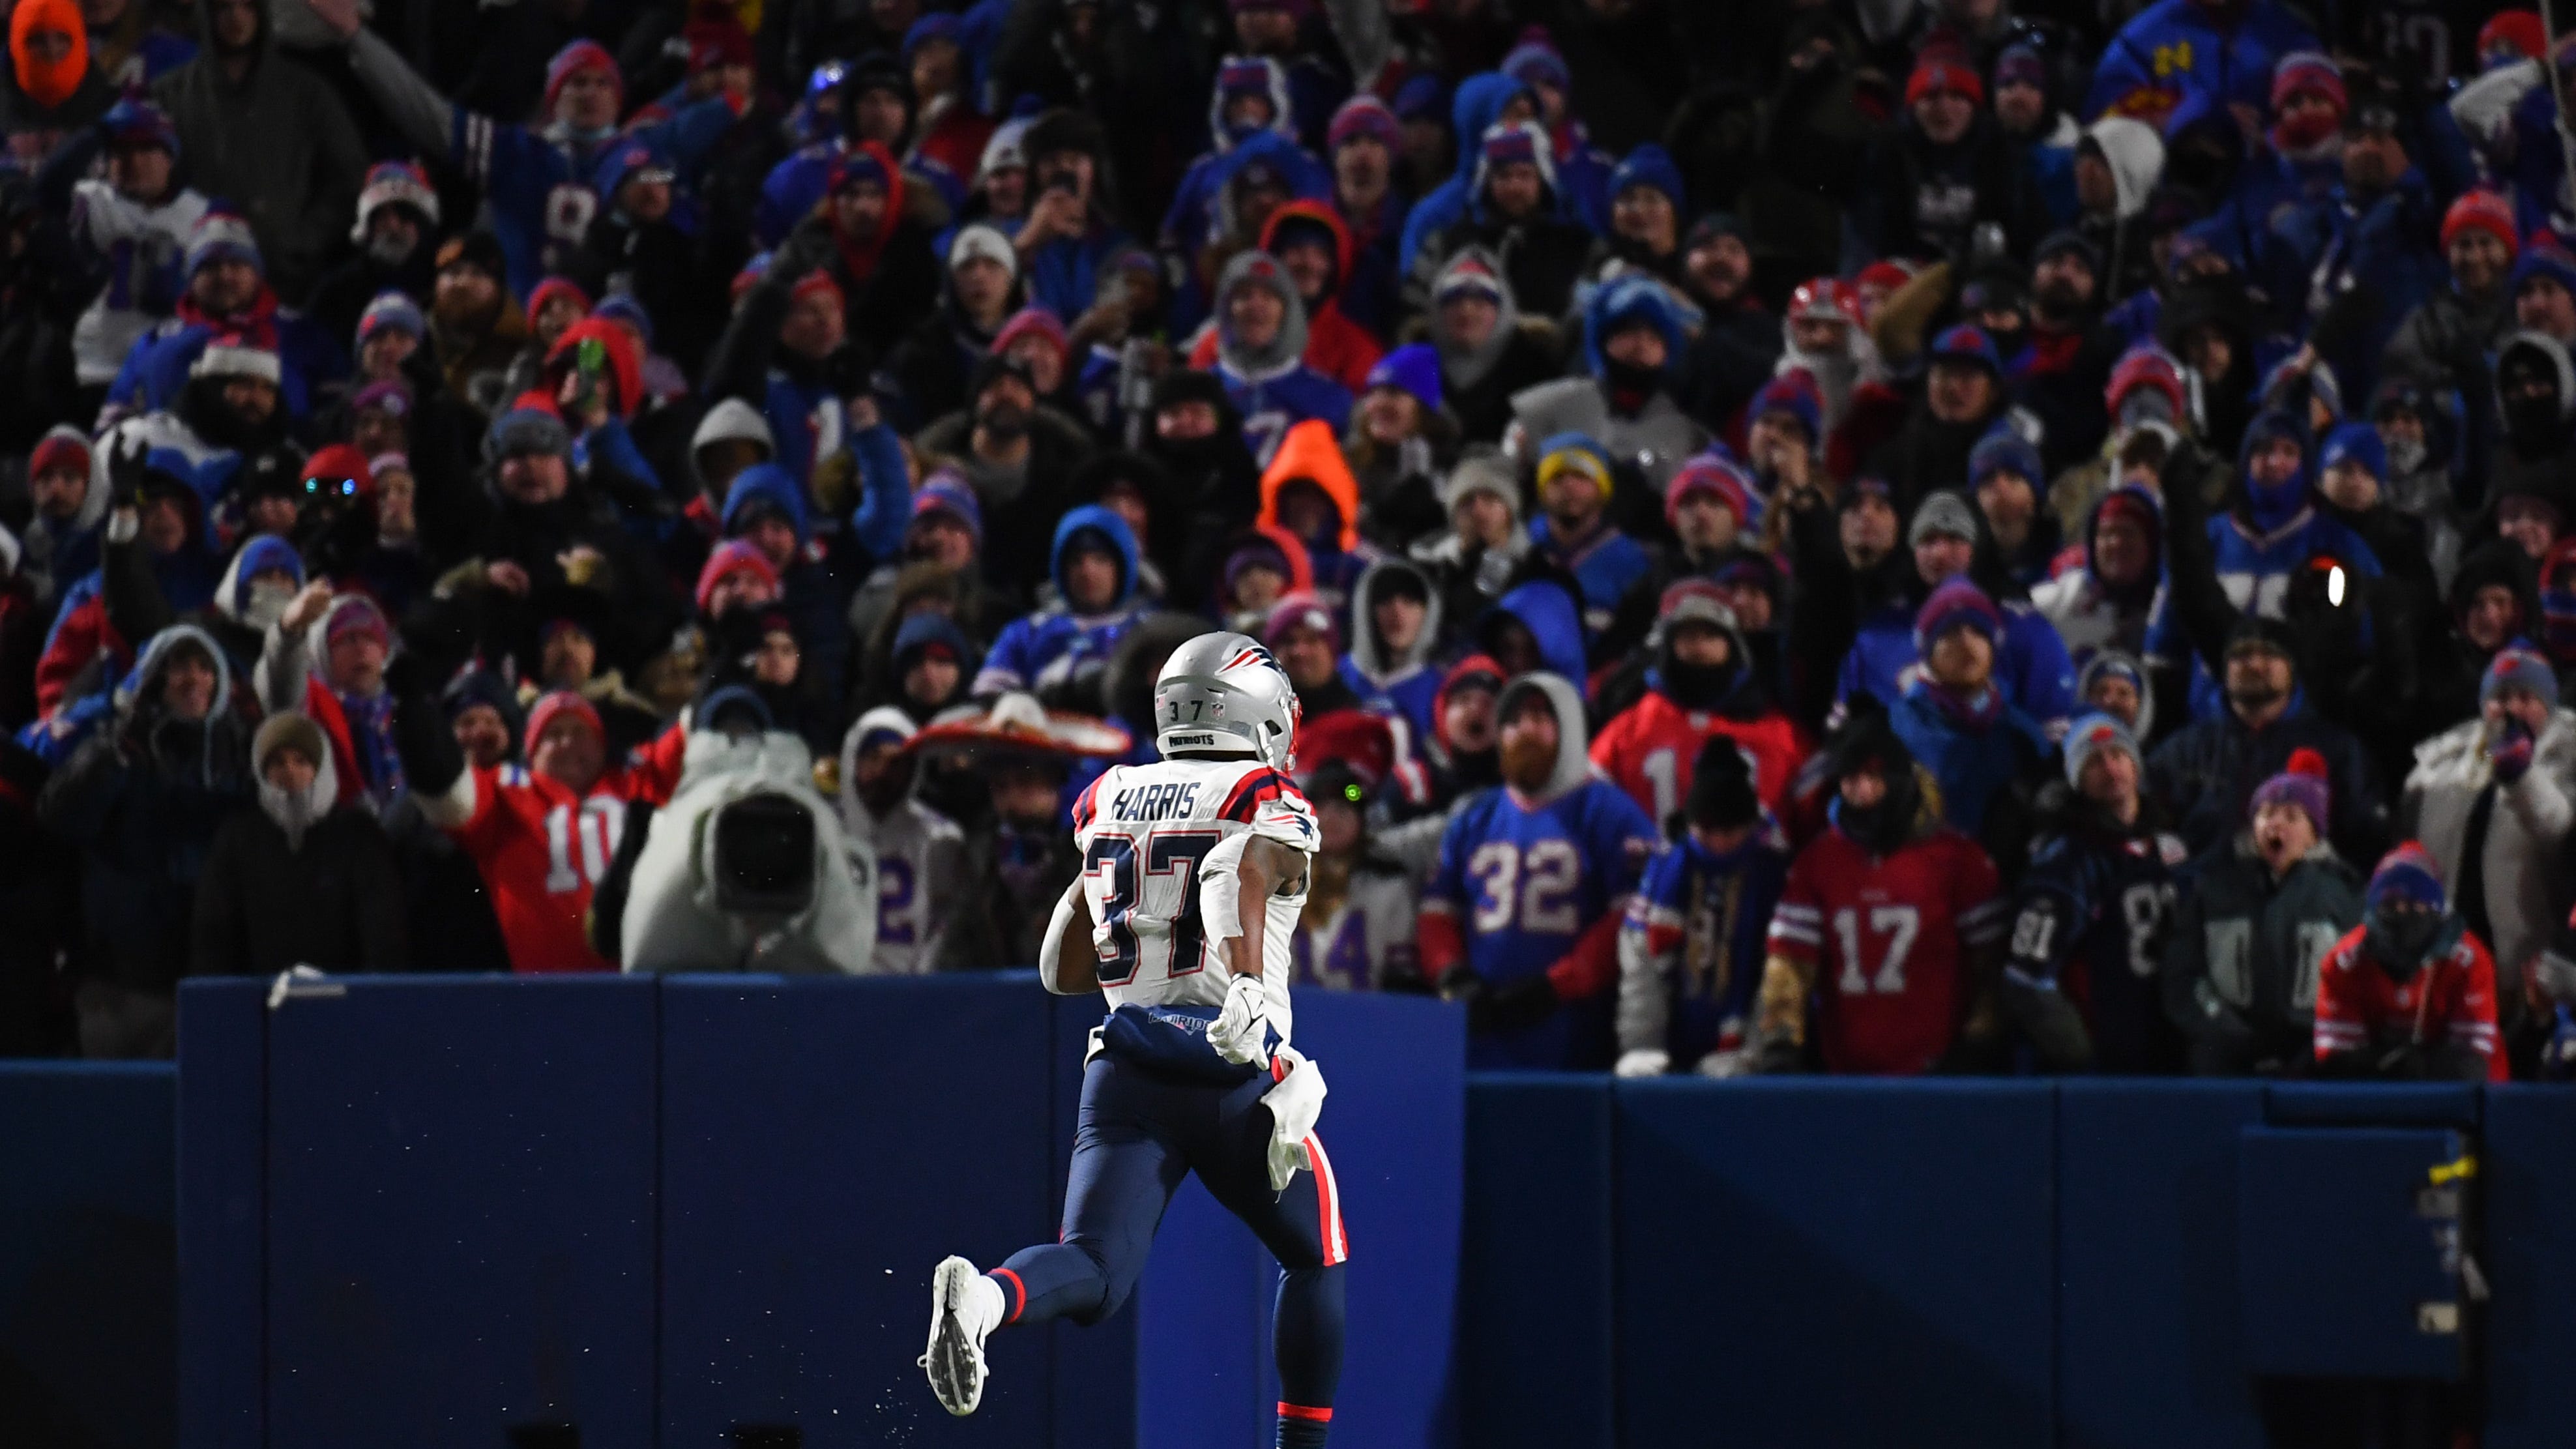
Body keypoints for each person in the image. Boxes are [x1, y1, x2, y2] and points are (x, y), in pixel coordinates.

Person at [918, 634, 1348, 1449]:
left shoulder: (1110, 795)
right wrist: (1245, 981)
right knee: (1314, 1253)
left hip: (1126, 1068)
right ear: (1257, 712)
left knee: (1093, 1265)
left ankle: (985, 1298)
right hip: (1229, 1070)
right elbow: (1237, 874)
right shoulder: (1262, 795)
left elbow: (1061, 968)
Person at [1416, 671, 1658, 1070]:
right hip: (1479, 1039)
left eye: (1540, 717)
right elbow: (1438, 912)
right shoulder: (1475, 816)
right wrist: (1451, 975)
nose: (1525, 730)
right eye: (1512, 721)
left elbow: (1632, 919)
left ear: (1571, 726)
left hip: (1575, 1040)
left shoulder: (1612, 813)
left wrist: (1560, 984)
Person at [1754, 704, 2008, 1075]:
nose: (1862, 790)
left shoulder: (1958, 860)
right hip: (1846, 1075)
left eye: (1874, 776)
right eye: (1851, 777)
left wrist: (1981, 1039)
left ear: (1899, 777)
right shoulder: (1818, 863)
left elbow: (1993, 963)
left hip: (1941, 1075)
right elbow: (1790, 962)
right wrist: (1781, 1039)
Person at [38, 624, 256, 1057]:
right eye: (179, 666)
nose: (194, 678)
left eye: (205, 667)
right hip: (118, 987)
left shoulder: (240, 754)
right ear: (154, 679)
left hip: (206, 984)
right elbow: (61, 818)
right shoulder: (117, 746)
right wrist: (116, 752)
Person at [1997, 713, 2187, 1073]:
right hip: (2112, 1058)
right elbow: (2026, 977)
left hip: (2169, 1048)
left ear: (2136, 765)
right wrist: (2082, 1055)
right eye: (2094, 761)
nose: (2110, 768)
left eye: (2118, 755)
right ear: (2077, 780)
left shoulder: (2168, 847)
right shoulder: (2067, 863)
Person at [2161, 749, 2364, 1076]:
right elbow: (2183, 973)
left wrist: (2320, 1043)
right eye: (2267, 813)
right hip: (2227, 1057)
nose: (2276, 823)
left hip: (2313, 1062)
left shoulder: (2345, 896)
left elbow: (2360, 983)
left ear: (2314, 834)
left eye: (2292, 817)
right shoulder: (2215, 890)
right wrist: (2222, 1028)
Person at [2399, 649, 2575, 1014]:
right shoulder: (2450, 754)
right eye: (2501, 697)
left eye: (2526, 697)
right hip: (2454, 950)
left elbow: (2560, 830)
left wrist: (2521, 776)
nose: (2512, 708)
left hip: (2532, 960)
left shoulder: (2569, 753)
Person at [1613, 738, 1789, 1079]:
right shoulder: (1665, 873)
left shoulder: (1772, 876)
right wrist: (1641, 1047)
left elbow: (1782, 971)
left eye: (1730, 831)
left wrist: (1755, 1054)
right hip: (1671, 1050)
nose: (1720, 842)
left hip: (1746, 1055)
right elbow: (1641, 966)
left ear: (1749, 825)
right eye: (1708, 831)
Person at [190, 710, 404, 976]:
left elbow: (382, 927)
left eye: (301, 761)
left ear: (319, 768)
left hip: (345, 993)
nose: (290, 770)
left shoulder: (358, 834)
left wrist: (373, 991)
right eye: (278, 762)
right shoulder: (238, 838)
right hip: (263, 994)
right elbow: (214, 931)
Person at [1590, 583, 1807, 823]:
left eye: (1711, 635)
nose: (1700, 647)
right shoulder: (1631, 727)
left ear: (1733, 645)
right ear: (1669, 647)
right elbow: (1589, 802)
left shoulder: (1780, 733)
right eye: (1689, 636)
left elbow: (1818, 820)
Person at [2313, 843, 2506, 1082]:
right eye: (2391, 901)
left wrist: (2408, 1066)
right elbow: (2337, 1062)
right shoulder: (2343, 963)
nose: (2403, 910)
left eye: (2417, 901)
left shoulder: (2469, 961)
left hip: (2464, 1099)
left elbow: (2473, 1064)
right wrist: (2399, 1065)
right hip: (2371, 1098)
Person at [837, 707, 967, 974]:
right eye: (873, 758)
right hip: (835, 987)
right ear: (852, 760)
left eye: (896, 763)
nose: (881, 772)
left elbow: (945, 926)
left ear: (913, 769)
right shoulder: (825, 830)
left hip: (912, 987)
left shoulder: (939, 837)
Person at [1287, 759, 1420, 991]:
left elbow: (1401, 976)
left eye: (1343, 810)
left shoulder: (1390, 885)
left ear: (1362, 821)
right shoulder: (1278, 883)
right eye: (1321, 810)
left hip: (1367, 1010)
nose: (1331, 819)